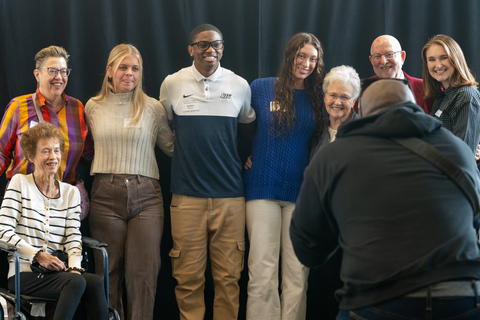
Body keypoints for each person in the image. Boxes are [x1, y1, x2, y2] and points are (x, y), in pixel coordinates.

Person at [290, 79, 480, 319]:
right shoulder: (458, 148)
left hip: (377, 300)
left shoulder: (334, 155)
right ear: (414, 107)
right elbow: (474, 218)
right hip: (465, 297)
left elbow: (307, 248)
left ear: (362, 111)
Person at [159, 23, 256, 320]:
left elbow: (248, 131)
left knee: (229, 279)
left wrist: (247, 158)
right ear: (191, 49)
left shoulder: (239, 85)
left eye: (216, 44)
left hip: (231, 197)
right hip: (186, 197)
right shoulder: (172, 84)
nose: (210, 50)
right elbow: (163, 129)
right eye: (203, 44)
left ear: (223, 48)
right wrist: (183, 153)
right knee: (188, 279)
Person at [85, 44, 174, 320]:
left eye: (135, 68)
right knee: (106, 270)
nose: (129, 73)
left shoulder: (153, 108)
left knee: (144, 271)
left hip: (146, 196)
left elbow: (173, 148)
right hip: (105, 194)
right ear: (110, 71)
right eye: (123, 67)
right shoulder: (92, 107)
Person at [242, 32, 323, 320]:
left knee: (297, 271)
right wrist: (244, 155)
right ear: (290, 55)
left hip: (301, 193)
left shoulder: (319, 96)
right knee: (262, 269)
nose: (306, 63)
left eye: (312, 59)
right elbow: (241, 127)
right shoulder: (260, 88)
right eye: (301, 56)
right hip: (262, 187)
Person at [0, 122, 108, 320]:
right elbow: (3, 232)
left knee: (94, 282)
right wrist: (37, 255)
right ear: (31, 156)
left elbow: (73, 236)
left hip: (60, 272)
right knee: (75, 283)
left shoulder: (71, 192)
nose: (53, 157)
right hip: (24, 272)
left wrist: (75, 268)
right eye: (46, 151)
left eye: (56, 151)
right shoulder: (19, 183)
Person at [0, 45, 92, 184]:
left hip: (64, 198)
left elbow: (88, 154)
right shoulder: (19, 106)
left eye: (63, 71)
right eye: (52, 71)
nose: (59, 77)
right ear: (37, 75)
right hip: (25, 197)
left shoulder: (77, 108)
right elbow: (1, 153)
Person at [422, 34, 480, 154]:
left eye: (443, 57)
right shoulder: (441, 96)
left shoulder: (466, 95)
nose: (437, 65)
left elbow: (464, 154)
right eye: (431, 59)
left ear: (456, 59)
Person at [353, 35, 433, 114]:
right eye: (377, 56)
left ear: (402, 57)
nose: (383, 62)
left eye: (389, 54)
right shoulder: (361, 90)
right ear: (371, 60)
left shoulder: (426, 88)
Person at [311, 65, 360, 157]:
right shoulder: (317, 128)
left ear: (354, 101)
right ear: (325, 97)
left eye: (344, 97)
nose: (337, 102)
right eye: (333, 95)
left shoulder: (363, 130)